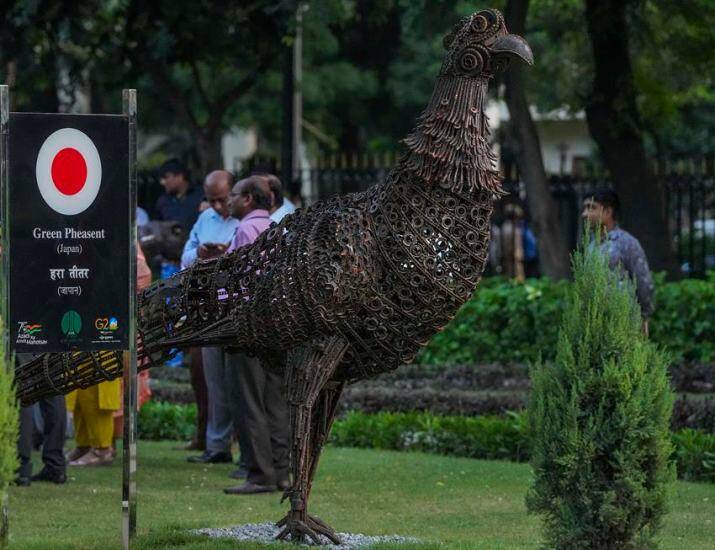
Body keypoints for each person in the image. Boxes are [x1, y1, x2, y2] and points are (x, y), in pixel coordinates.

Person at [223, 176, 290, 495]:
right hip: (276, 323)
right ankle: (281, 472)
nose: (228, 201)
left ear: (248, 199)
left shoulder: (246, 229)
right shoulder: (275, 227)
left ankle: (260, 474)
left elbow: (242, 280)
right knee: (274, 401)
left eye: (233, 195)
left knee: (247, 399)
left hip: (249, 324)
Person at [183, 170, 240, 464]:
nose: (217, 206)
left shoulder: (245, 220)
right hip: (208, 305)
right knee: (212, 379)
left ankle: (239, 445)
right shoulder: (205, 219)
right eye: (211, 200)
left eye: (222, 199)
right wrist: (201, 254)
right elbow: (186, 255)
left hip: (236, 307)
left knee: (240, 381)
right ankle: (216, 444)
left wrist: (226, 255)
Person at [582, 189, 654, 333]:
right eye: (585, 208)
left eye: (592, 208)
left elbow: (643, 281)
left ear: (608, 211)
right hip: (596, 325)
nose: (585, 214)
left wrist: (644, 316)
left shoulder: (626, 243)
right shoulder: (591, 246)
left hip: (624, 324)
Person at [15, 354, 67, 485]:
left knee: (22, 386)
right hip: (51, 337)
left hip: (24, 338)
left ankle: (21, 468)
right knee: (53, 387)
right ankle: (55, 466)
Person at [154, 159, 205, 234]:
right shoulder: (163, 201)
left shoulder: (201, 194)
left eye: (166, 177)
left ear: (180, 176)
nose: (162, 182)